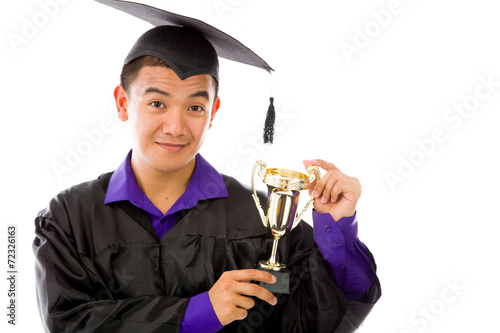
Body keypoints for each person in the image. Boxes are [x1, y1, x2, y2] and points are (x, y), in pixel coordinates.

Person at [33, 1, 381, 332]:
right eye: (157, 103)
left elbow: (314, 324)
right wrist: (198, 313)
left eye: (195, 108)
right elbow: (69, 323)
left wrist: (337, 230)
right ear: (123, 103)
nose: (176, 126)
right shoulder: (69, 219)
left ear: (213, 113)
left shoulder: (259, 221)